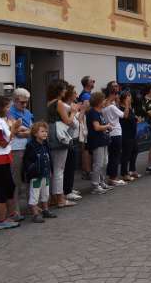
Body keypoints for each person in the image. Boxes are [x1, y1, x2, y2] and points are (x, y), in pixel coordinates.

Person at [46, 79, 79, 208]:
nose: (66, 91)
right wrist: (74, 112)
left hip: (52, 133)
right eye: (64, 89)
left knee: (55, 169)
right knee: (59, 169)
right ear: (59, 90)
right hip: (59, 136)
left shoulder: (50, 102)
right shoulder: (59, 103)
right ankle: (60, 198)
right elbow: (68, 121)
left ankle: (54, 197)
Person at [0, 96, 22, 230]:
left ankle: (9, 214)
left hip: (4, 158)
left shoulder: (0, 119)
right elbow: (3, 143)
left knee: (9, 186)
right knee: (2, 189)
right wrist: (14, 130)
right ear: (0, 108)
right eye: (7, 107)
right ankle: (1, 219)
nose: (9, 109)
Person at [23, 122, 57, 223]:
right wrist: (32, 170)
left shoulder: (46, 144)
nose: (45, 133)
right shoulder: (31, 146)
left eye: (46, 131)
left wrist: (51, 170)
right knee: (35, 195)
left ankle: (45, 210)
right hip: (36, 175)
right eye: (42, 131)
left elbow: (49, 158)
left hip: (45, 174)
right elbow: (27, 161)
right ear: (35, 133)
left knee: (45, 194)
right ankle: (35, 214)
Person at [8, 88, 33, 221]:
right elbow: (17, 131)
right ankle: (15, 210)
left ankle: (31, 205)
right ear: (15, 100)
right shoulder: (9, 111)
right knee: (16, 180)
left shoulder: (27, 112)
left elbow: (33, 129)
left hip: (28, 147)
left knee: (29, 177)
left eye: (26, 102)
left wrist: (27, 131)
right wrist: (27, 131)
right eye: (22, 102)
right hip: (16, 149)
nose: (24, 105)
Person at [86, 92, 113, 194]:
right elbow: (96, 127)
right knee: (98, 163)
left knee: (104, 162)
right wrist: (107, 126)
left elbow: (101, 126)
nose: (104, 101)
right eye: (103, 100)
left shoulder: (99, 112)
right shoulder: (93, 112)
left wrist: (107, 128)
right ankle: (95, 184)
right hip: (97, 141)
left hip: (103, 140)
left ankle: (101, 182)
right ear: (98, 101)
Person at [61, 85, 82, 201]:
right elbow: (71, 123)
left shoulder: (71, 107)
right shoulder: (66, 107)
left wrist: (81, 110)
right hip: (68, 139)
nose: (77, 95)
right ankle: (66, 191)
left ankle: (69, 187)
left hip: (73, 138)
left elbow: (78, 121)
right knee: (68, 166)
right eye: (74, 93)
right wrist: (75, 112)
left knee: (71, 165)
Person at [102, 85, 126, 186]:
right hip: (116, 132)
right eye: (116, 93)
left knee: (112, 155)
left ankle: (111, 177)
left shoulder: (103, 106)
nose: (117, 96)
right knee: (115, 156)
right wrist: (127, 105)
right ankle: (113, 178)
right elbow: (123, 115)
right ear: (112, 94)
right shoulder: (112, 107)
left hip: (109, 132)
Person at [118, 91, 139, 181]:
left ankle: (132, 170)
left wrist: (136, 118)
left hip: (132, 133)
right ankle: (124, 173)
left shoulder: (129, 108)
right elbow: (125, 117)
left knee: (135, 151)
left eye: (130, 96)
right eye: (128, 97)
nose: (130, 98)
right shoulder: (121, 108)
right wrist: (127, 105)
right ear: (123, 99)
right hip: (126, 134)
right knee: (126, 154)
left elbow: (132, 117)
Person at [78, 75, 94, 179]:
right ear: (87, 83)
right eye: (92, 81)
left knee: (88, 148)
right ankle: (87, 171)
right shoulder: (85, 95)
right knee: (86, 148)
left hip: (88, 123)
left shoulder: (88, 94)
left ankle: (88, 170)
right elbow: (87, 109)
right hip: (86, 124)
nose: (94, 82)